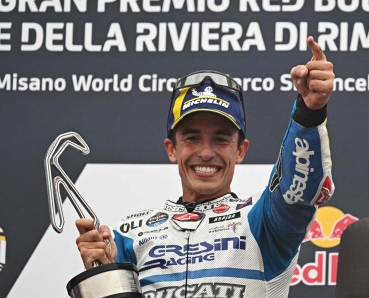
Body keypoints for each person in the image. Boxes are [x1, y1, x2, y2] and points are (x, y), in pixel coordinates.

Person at [75, 36, 335, 298]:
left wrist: (309, 112)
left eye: (221, 139)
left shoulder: (262, 223)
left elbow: (296, 191)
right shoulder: (129, 236)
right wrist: (103, 277)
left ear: (240, 150)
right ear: (172, 149)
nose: (207, 152)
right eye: (192, 138)